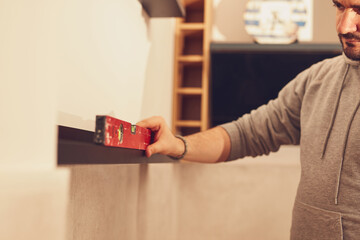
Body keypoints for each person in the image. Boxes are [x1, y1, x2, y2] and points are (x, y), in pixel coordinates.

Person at [137, 0, 360, 239]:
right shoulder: (317, 78)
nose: (344, 26)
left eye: (358, 9)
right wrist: (179, 145)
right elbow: (249, 132)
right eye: (339, 6)